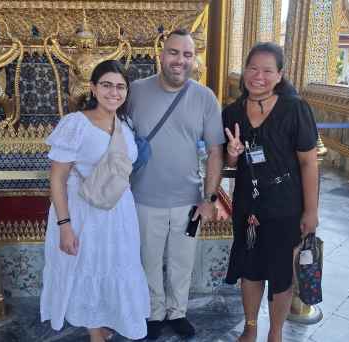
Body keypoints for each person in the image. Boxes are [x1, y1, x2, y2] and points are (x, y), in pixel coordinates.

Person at [40, 60, 150, 342]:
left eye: (120, 86)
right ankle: (93, 330)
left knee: (114, 266)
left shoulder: (124, 124)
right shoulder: (76, 123)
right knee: (87, 267)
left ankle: (104, 321)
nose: (113, 92)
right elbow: (57, 179)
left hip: (119, 213)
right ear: (93, 88)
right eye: (106, 85)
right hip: (84, 213)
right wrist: (65, 226)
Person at [128, 29, 225, 339]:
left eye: (186, 54)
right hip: (144, 196)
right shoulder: (134, 92)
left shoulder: (205, 97)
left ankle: (177, 311)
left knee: (182, 262)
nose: (179, 60)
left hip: (187, 199)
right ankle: (154, 313)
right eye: (173, 52)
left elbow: (215, 151)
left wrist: (209, 199)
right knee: (149, 261)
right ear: (161, 53)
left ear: (193, 59)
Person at [222, 42, 319, 342]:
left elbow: (308, 163)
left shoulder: (295, 109)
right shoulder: (232, 112)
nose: (258, 76)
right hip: (248, 206)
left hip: (285, 205)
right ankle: (250, 326)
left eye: (267, 70)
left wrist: (311, 211)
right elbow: (229, 162)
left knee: (280, 273)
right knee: (250, 269)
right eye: (252, 68)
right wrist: (233, 154)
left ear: (280, 75)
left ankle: (275, 333)